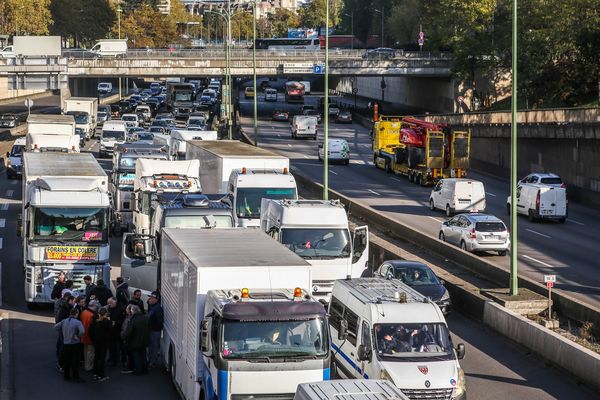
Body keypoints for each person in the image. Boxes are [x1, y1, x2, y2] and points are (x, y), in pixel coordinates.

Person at [54, 308, 84, 382]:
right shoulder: (78, 322)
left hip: (66, 343)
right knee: (75, 361)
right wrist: (77, 336)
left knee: (67, 360)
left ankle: (66, 376)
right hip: (74, 344)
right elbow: (82, 331)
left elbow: (55, 327)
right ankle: (75, 377)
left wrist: (63, 333)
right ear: (76, 313)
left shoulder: (64, 321)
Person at [124, 305, 150, 375]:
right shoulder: (145, 318)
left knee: (136, 357)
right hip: (144, 341)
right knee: (143, 355)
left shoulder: (133, 320)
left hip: (134, 342)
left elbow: (128, 332)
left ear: (132, 311)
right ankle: (145, 369)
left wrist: (123, 336)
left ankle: (138, 370)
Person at [54, 293, 75, 372]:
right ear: (70, 300)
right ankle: (61, 364)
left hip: (63, 330)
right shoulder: (66, 309)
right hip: (65, 331)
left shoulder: (64, 307)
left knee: (61, 346)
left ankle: (61, 363)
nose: (74, 302)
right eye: (73, 301)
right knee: (63, 348)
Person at [90, 307, 111, 381]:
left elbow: (91, 331)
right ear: (105, 314)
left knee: (96, 357)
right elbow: (110, 330)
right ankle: (101, 375)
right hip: (104, 342)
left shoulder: (94, 321)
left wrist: (93, 339)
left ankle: (95, 373)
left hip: (96, 342)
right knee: (102, 358)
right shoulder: (107, 322)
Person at [80, 300, 100, 372]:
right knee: (91, 353)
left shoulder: (83, 312)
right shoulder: (92, 315)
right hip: (90, 337)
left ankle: (86, 365)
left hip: (83, 335)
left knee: (86, 351)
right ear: (94, 306)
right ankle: (89, 367)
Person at [107, 297, 126, 366]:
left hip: (119, 330)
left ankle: (123, 359)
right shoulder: (110, 308)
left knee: (121, 346)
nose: (109, 304)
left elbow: (124, 320)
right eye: (108, 303)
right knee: (112, 347)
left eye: (110, 303)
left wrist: (115, 322)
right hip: (111, 331)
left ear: (115, 302)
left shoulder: (121, 308)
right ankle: (113, 359)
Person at [147, 291, 164, 368]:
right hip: (153, 330)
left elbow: (158, 321)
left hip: (154, 330)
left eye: (151, 298)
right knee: (151, 347)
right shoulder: (153, 307)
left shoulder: (157, 308)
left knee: (154, 347)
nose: (149, 299)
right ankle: (151, 361)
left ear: (156, 299)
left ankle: (153, 363)